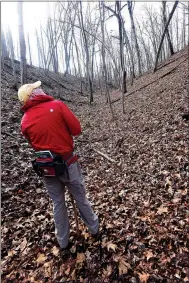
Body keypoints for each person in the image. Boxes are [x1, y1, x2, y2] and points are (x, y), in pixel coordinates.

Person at [18, 81, 99, 255]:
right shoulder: (57, 105)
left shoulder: (24, 121)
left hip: (46, 167)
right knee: (80, 198)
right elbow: (76, 130)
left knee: (58, 203)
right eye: (36, 88)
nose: (41, 88)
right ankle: (95, 230)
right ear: (33, 95)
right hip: (68, 162)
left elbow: (33, 143)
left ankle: (63, 243)